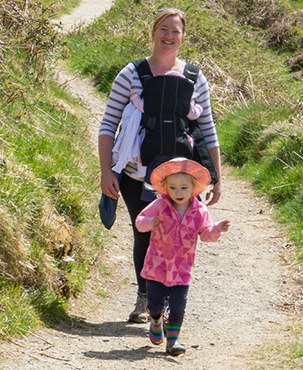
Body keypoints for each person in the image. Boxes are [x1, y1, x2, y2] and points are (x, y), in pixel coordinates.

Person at [96, 8, 223, 324]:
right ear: (152, 33)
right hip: (135, 173)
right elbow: (108, 124)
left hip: (180, 178)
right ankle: (147, 298)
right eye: (163, 29)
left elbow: (208, 128)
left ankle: (164, 304)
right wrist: (105, 171)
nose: (169, 36)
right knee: (147, 234)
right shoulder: (131, 74)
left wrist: (216, 178)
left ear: (183, 37)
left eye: (175, 31)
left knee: (178, 236)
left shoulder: (195, 77)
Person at [135, 158, 229, 356]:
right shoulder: (159, 205)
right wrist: (150, 223)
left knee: (179, 305)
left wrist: (217, 229)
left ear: (194, 188)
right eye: (173, 187)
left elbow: (206, 235)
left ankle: (173, 340)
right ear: (165, 188)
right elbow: (140, 221)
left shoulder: (199, 211)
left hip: (181, 269)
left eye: (184, 187)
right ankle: (155, 320)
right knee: (154, 304)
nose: (179, 192)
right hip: (156, 267)